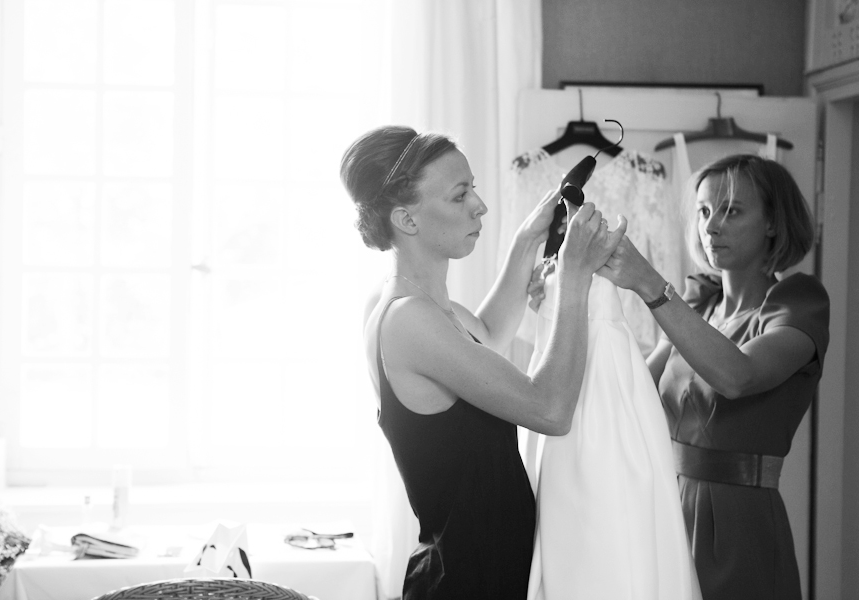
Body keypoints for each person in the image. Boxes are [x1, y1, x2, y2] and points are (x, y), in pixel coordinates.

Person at [340, 125, 625, 600]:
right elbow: (550, 409)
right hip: (466, 582)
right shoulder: (411, 320)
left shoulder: (411, 302)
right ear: (407, 220)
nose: (480, 205)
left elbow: (487, 336)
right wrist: (574, 278)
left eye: (472, 187)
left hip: (480, 573)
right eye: (459, 196)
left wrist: (527, 240)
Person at [597, 153, 830, 600]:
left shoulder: (800, 302)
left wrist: (650, 283)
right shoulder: (699, 305)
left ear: (773, 224)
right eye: (704, 211)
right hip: (665, 505)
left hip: (739, 523)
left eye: (731, 210)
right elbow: (634, 395)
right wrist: (562, 307)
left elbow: (737, 376)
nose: (711, 225)